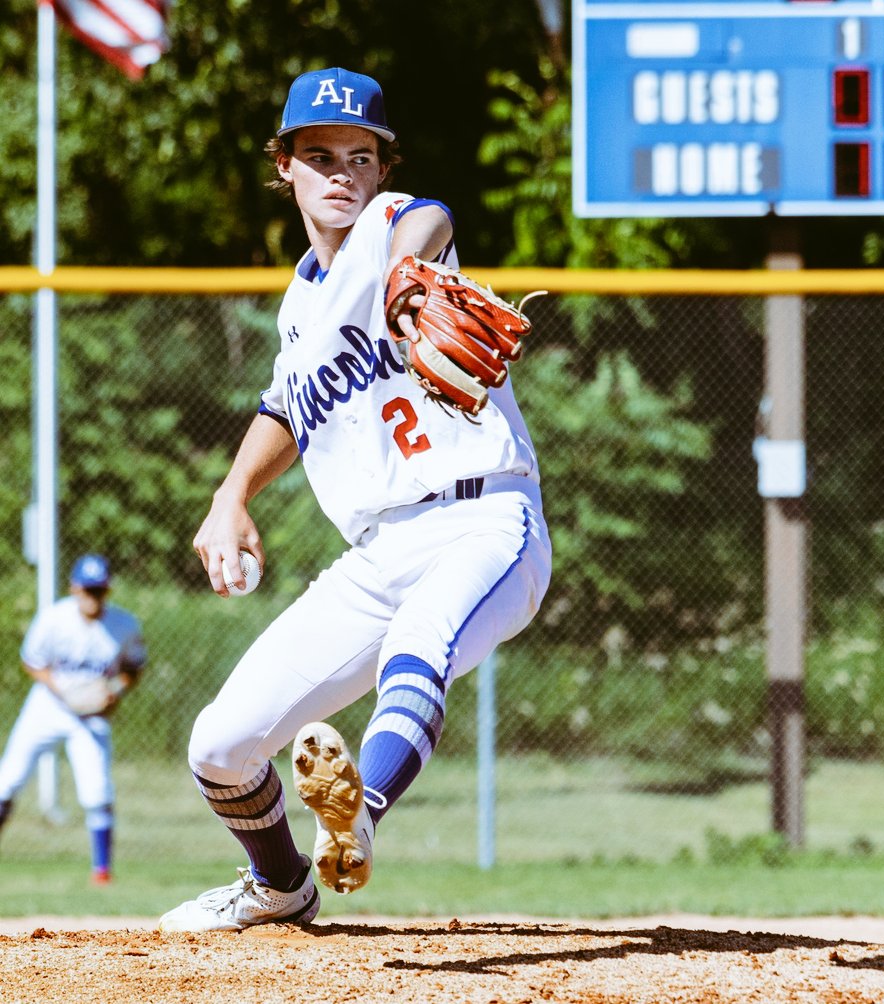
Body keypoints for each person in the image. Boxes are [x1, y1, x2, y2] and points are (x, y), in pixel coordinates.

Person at [158, 66, 551, 933]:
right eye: (320, 154)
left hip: (487, 520)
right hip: (378, 553)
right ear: (285, 167)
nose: (342, 171)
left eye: (360, 155)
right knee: (220, 746)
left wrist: (408, 269)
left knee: (419, 643)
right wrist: (230, 497)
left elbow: (430, 214)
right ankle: (280, 884)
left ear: (380, 169)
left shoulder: (389, 231)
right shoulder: (300, 305)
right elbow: (282, 408)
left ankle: (357, 817)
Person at [0, 554, 146, 884]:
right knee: (7, 779)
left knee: (97, 791)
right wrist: (65, 692)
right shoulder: (54, 619)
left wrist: (114, 692)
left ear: (107, 590)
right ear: (74, 588)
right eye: (87, 590)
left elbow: (133, 668)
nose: (92, 597)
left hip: (92, 714)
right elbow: (32, 662)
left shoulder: (123, 625)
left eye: (99, 591)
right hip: (48, 705)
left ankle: (102, 872)